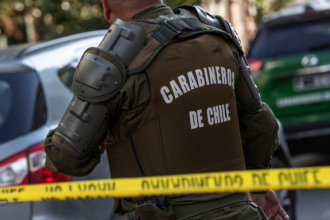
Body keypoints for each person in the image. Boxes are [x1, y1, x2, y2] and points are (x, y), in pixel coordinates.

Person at [44, 0, 289, 219]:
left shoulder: (114, 62)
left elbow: (67, 158)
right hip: (240, 211)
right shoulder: (217, 35)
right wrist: (257, 187)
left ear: (106, 6)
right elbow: (263, 126)